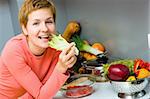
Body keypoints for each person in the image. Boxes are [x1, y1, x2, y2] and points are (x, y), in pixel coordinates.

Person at [0, 0, 77, 98]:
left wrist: (66, 64)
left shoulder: (55, 48)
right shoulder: (13, 51)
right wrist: (61, 67)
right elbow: (41, 95)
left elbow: (44, 90)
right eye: (36, 23)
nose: (45, 29)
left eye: (49, 21)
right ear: (25, 29)